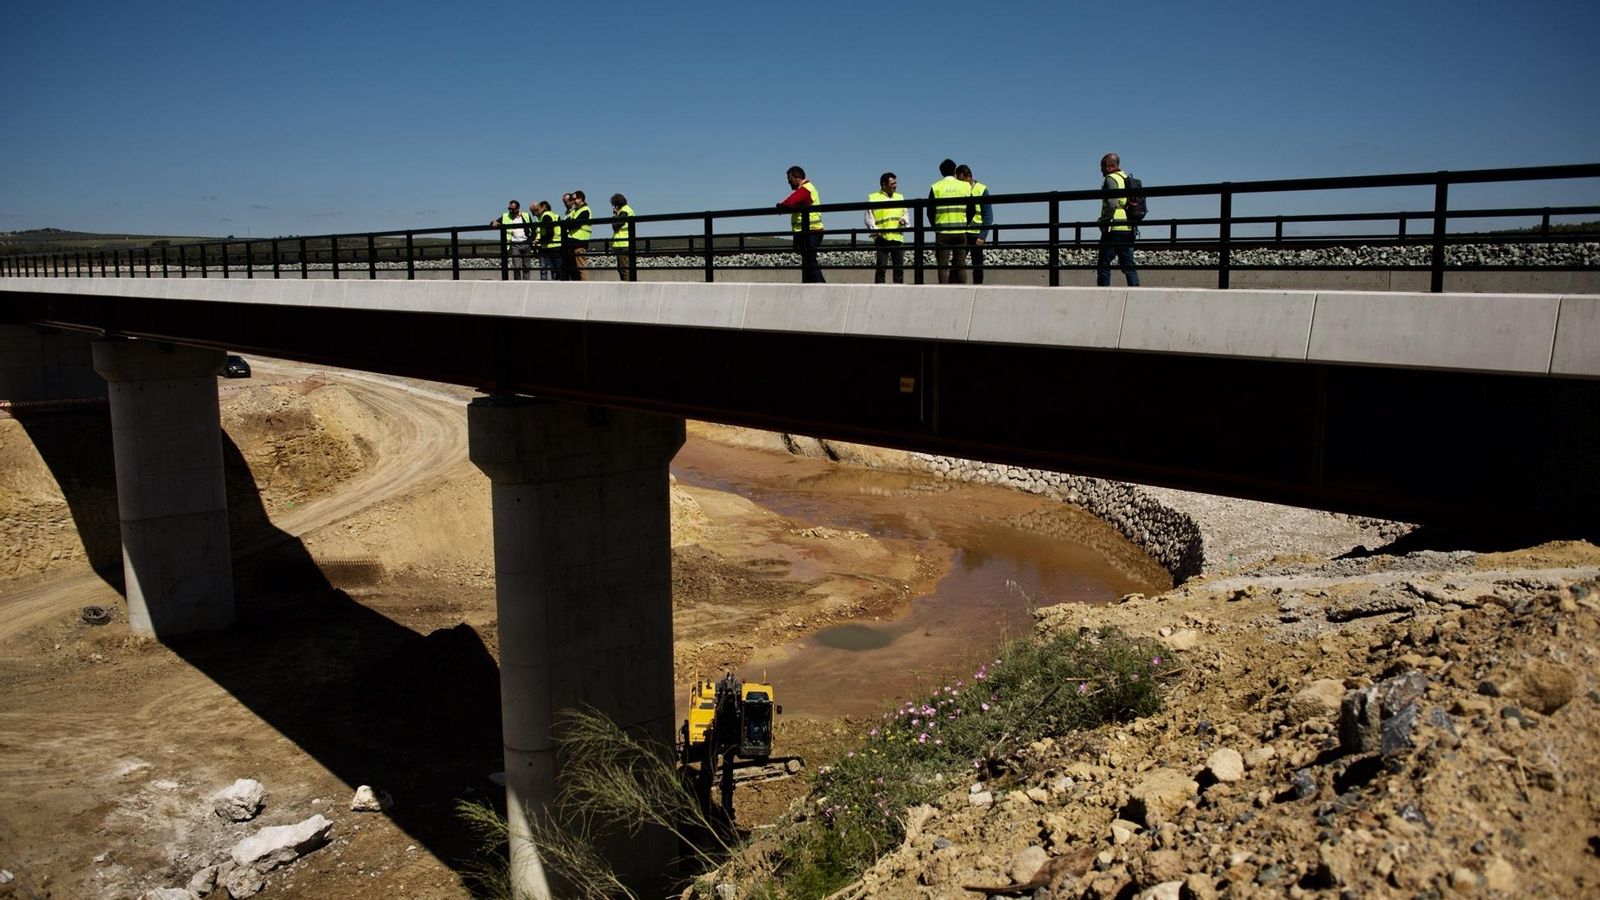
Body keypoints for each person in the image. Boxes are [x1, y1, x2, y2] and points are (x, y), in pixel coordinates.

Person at [1096, 152, 1140, 287]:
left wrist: (1103, 220)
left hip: (1113, 228)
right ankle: (1135, 292)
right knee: (1129, 266)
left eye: (1102, 166)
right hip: (1128, 227)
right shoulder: (1126, 178)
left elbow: (1112, 202)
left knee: (1104, 265)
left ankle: (1103, 294)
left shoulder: (1111, 179)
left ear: (1108, 165)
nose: (1101, 170)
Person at [927, 159, 974, 284]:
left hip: (942, 232)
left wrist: (935, 227)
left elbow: (930, 212)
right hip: (960, 230)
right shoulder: (965, 186)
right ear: (954, 171)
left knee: (943, 266)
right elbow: (972, 209)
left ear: (941, 172)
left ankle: (943, 291)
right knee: (960, 264)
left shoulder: (936, 187)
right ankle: (963, 289)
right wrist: (964, 223)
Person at [776, 165, 825, 283]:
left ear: (797, 177)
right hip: (807, 231)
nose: (788, 182)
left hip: (811, 231)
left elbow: (792, 200)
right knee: (808, 261)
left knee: (810, 261)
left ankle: (821, 286)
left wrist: (781, 206)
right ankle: (812, 286)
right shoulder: (806, 189)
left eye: (790, 178)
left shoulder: (806, 189)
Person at [864, 172, 907, 284]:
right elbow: (869, 218)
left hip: (897, 238)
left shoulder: (900, 197)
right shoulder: (873, 198)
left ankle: (899, 291)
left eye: (895, 183)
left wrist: (904, 221)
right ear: (884, 185)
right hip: (882, 238)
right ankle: (878, 291)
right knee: (881, 269)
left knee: (898, 269)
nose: (895, 185)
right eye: (892, 183)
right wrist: (876, 232)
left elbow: (905, 213)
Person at [958, 165, 994, 284]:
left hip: (976, 234)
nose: (960, 183)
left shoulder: (982, 189)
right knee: (958, 262)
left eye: (961, 180)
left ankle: (978, 286)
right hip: (963, 232)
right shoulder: (960, 190)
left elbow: (988, 215)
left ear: (969, 177)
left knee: (977, 264)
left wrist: (982, 235)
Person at [492, 199, 533, 280]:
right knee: (517, 266)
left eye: (512, 209)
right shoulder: (505, 216)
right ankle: (518, 282)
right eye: (509, 208)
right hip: (515, 244)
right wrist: (493, 222)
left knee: (526, 266)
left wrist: (531, 240)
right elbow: (495, 221)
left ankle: (526, 282)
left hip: (526, 243)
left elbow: (532, 228)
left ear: (518, 209)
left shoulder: (526, 215)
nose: (510, 210)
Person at [562, 191, 592, 282]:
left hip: (580, 242)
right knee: (574, 268)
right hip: (573, 242)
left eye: (575, 199)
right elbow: (567, 222)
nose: (573, 201)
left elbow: (574, 224)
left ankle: (585, 287)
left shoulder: (585, 210)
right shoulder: (576, 210)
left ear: (581, 199)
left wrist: (569, 224)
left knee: (581, 268)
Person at [610, 193, 635, 281]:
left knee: (624, 269)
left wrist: (614, 215)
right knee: (625, 268)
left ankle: (626, 287)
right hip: (626, 242)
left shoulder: (623, 212)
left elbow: (615, 226)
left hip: (622, 244)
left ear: (616, 205)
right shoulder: (629, 210)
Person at [535, 200, 562, 280]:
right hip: (555, 244)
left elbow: (550, 232)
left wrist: (540, 240)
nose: (536, 212)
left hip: (551, 246)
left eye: (538, 209)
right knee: (557, 270)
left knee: (556, 269)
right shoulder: (553, 215)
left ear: (543, 207)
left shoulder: (546, 216)